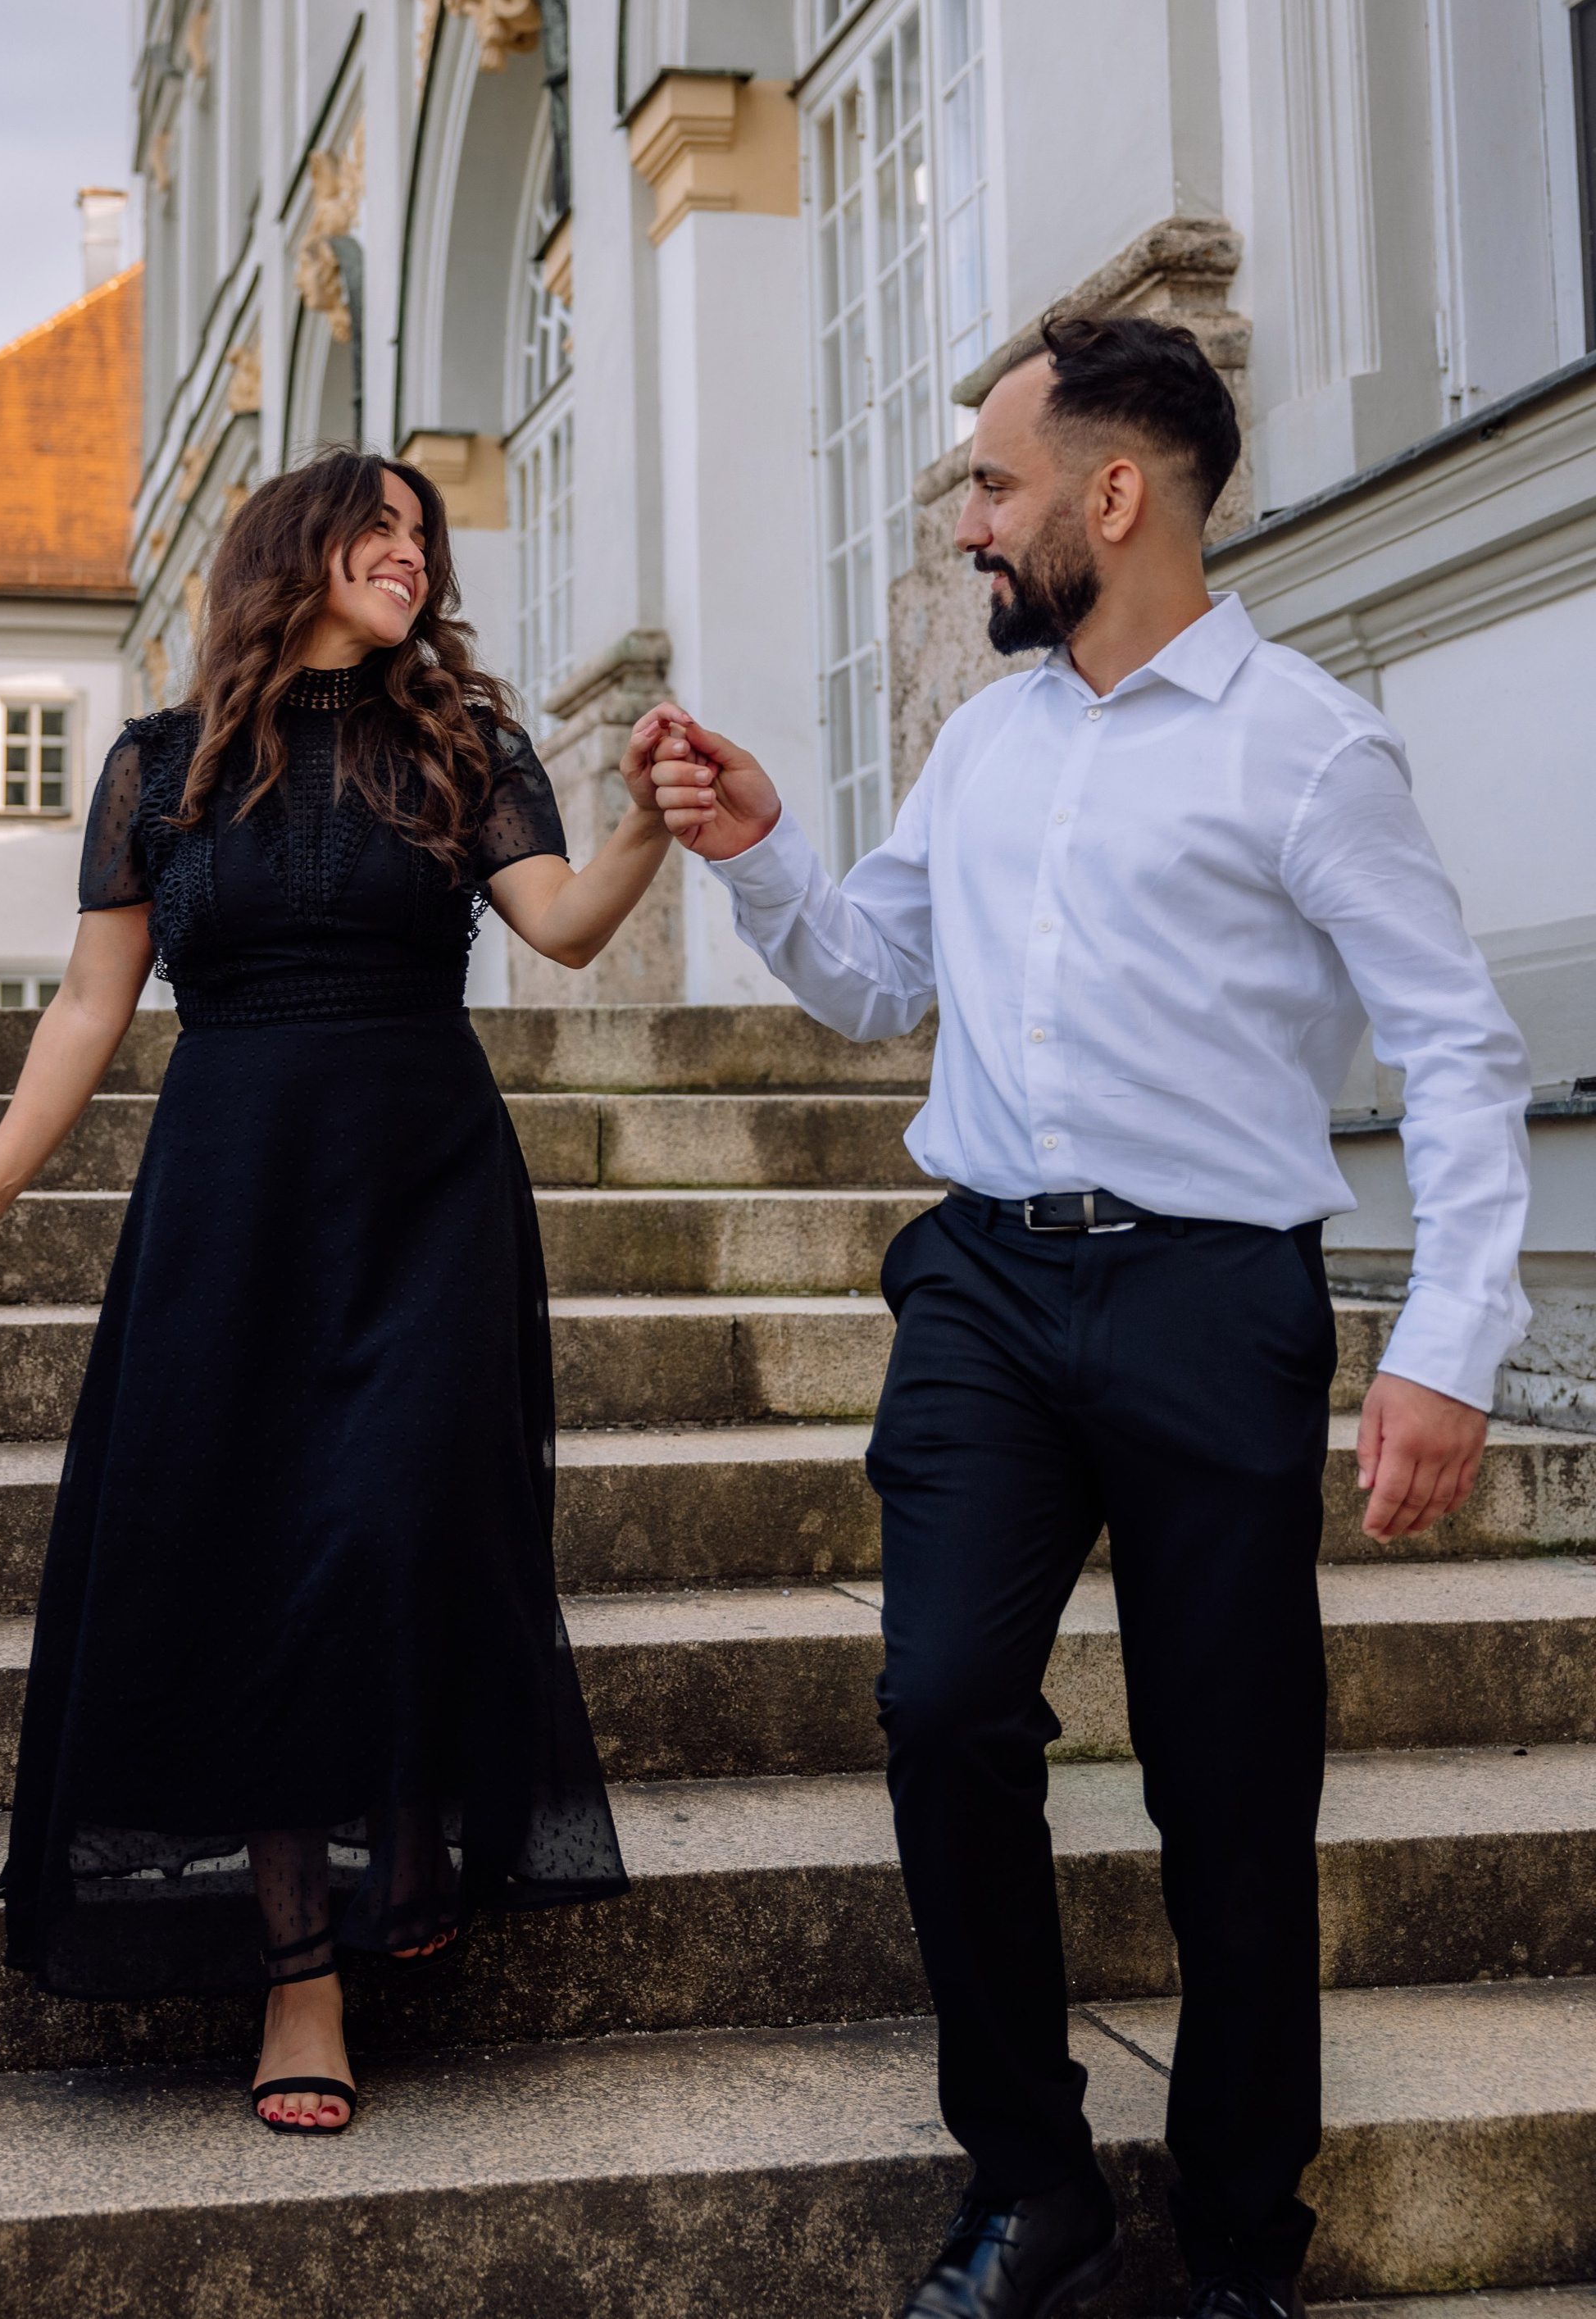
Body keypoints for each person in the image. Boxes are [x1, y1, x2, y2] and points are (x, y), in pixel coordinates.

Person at [632, 313, 1530, 2319]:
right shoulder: (983, 742)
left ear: (1109, 497)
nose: (969, 523)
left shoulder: (1301, 737)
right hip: (983, 1284)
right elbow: (875, 979)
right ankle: (1025, 2182)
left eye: (992, 485)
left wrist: (1444, 1339)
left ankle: (1235, 2244)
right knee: (940, 1701)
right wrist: (763, 842)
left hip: (1212, 1296)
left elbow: (1456, 1050)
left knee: (1229, 1779)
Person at [0, 449, 678, 2135]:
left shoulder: (462, 744)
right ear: (294, 551)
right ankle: (300, 1970)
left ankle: (408, 1849)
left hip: (426, 1194)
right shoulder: (160, 766)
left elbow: (566, 926)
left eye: (421, 535)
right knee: (253, 1550)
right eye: (378, 527)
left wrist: (650, 825)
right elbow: (90, 1003)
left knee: (387, 1524)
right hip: (230, 1200)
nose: (409, 552)